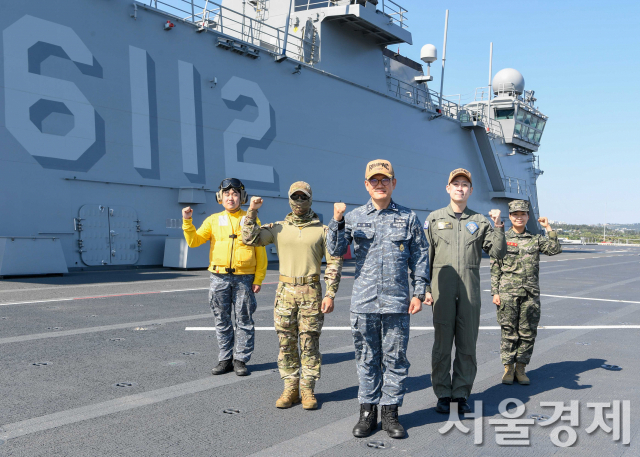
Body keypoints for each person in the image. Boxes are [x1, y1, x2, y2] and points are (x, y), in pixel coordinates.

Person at [327, 159, 431, 439]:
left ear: (394, 183)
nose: (380, 184)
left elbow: (421, 255)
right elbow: (335, 249)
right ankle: (367, 413)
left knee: (396, 359)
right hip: (364, 302)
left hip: (397, 302)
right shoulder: (354, 217)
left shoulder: (409, 218)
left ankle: (391, 414)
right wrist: (336, 221)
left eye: (385, 179)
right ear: (366, 185)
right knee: (366, 358)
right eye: (374, 180)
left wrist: (419, 292)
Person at [242, 181, 342, 410]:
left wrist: (331, 294)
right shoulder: (278, 228)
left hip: (311, 292)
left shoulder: (323, 230)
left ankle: (307, 389)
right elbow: (249, 238)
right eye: (295, 197)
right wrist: (252, 211)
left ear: (310, 199)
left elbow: (334, 261)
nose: (299, 201)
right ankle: (290, 388)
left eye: (303, 197)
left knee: (309, 343)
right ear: (289, 199)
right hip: (285, 292)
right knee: (286, 343)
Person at [423, 168, 506, 415]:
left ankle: (460, 394)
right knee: (442, 345)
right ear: (448, 188)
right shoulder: (434, 219)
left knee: (467, 345)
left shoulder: (480, 222)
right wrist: (425, 288)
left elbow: (498, 253)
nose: (460, 188)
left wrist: (498, 225)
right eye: (455, 184)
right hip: (442, 291)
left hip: (469, 292)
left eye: (465, 185)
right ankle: (443, 394)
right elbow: (425, 257)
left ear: (471, 190)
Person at [182, 178, 267, 377]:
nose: (231, 197)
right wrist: (187, 221)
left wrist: (258, 278)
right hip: (219, 277)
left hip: (244, 278)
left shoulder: (251, 218)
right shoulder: (212, 220)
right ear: (220, 197)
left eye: (235, 194)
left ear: (242, 197)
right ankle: (225, 359)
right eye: (227, 194)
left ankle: (241, 360)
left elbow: (260, 252)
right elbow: (194, 242)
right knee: (222, 319)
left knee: (244, 319)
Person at [491, 200, 562, 385]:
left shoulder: (535, 239)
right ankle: (508, 368)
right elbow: (495, 266)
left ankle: (521, 368)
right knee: (508, 332)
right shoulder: (503, 239)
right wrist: (495, 292)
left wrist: (548, 228)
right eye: (515, 214)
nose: (519, 217)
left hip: (530, 294)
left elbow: (555, 249)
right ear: (510, 217)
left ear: (528, 217)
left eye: (523, 214)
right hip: (507, 293)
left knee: (528, 332)